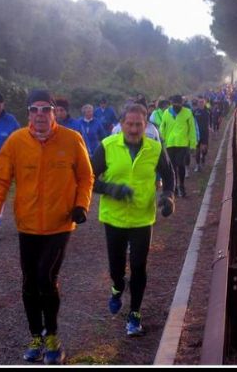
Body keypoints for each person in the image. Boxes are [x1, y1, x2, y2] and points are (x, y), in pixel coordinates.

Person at [0, 89, 94, 365]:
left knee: (46, 277)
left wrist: (81, 206)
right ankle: (36, 337)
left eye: (46, 109)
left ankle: (52, 337)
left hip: (60, 224)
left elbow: (86, 177)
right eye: (35, 109)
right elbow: (0, 180)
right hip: (28, 225)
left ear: (54, 112)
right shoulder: (16, 141)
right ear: (28, 113)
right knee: (30, 282)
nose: (40, 115)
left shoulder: (72, 139)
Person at [91, 103, 175, 337]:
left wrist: (169, 196)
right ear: (121, 124)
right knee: (117, 267)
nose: (134, 129)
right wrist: (110, 189)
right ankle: (117, 286)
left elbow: (169, 175)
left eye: (139, 124)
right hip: (114, 218)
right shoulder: (107, 146)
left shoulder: (155, 148)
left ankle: (135, 313)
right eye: (130, 124)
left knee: (139, 266)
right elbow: (88, 178)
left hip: (142, 218)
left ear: (146, 125)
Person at [159, 95, 197, 198]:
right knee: (172, 166)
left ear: (182, 103)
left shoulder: (187, 113)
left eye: (178, 104)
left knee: (180, 164)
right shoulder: (166, 113)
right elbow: (162, 127)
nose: (176, 106)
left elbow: (192, 129)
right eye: (174, 104)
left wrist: (193, 145)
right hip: (170, 144)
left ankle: (182, 186)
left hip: (182, 144)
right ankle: (174, 187)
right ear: (171, 103)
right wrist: (161, 140)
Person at [193, 97, 211, 172]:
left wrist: (210, 127)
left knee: (204, 150)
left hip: (205, 133)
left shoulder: (207, 111)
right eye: (199, 102)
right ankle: (197, 165)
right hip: (196, 134)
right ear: (197, 103)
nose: (201, 103)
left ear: (204, 103)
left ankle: (203, 157)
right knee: (197, 151)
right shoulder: (195, 112)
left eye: (202, 102)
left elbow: (210, 119)